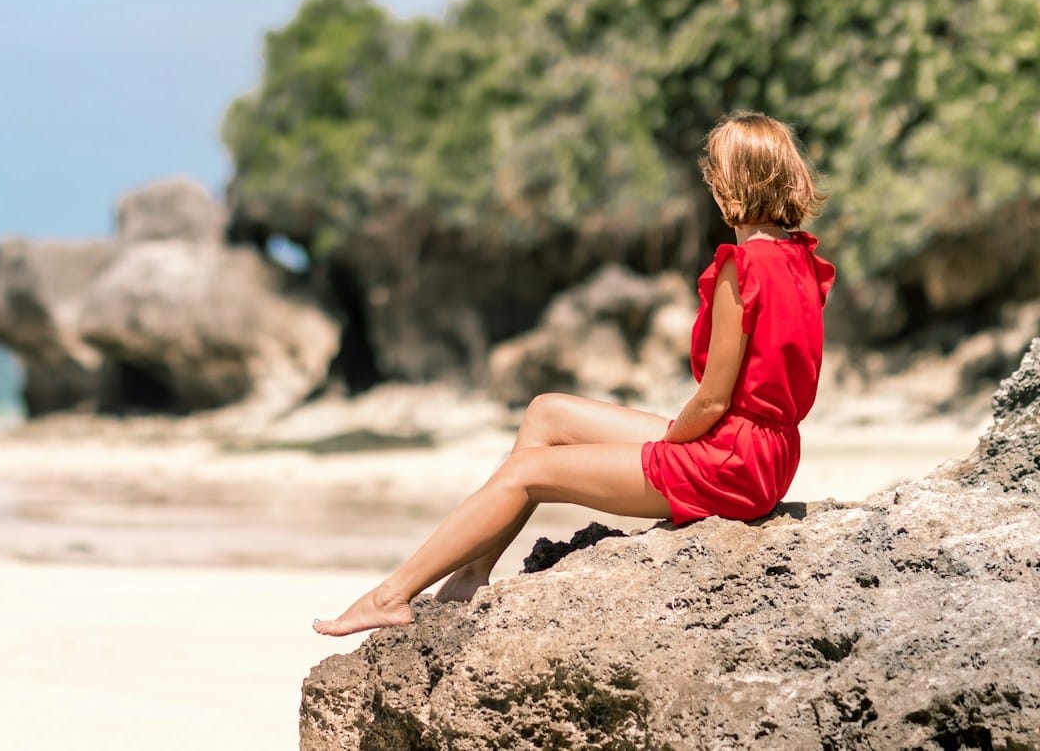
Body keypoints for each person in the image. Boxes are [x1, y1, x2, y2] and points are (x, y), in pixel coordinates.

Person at [313, 111, 835, 636]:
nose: (710, 183)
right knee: (546, 414)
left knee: (525, 474)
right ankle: (472, 572)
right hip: (766, 451)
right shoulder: (800, 261)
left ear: (733, 184)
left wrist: (675, 440)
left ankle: (391, 594)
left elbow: (712, 401)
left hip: (730, 462)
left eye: (715, 174)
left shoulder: (740, 269)